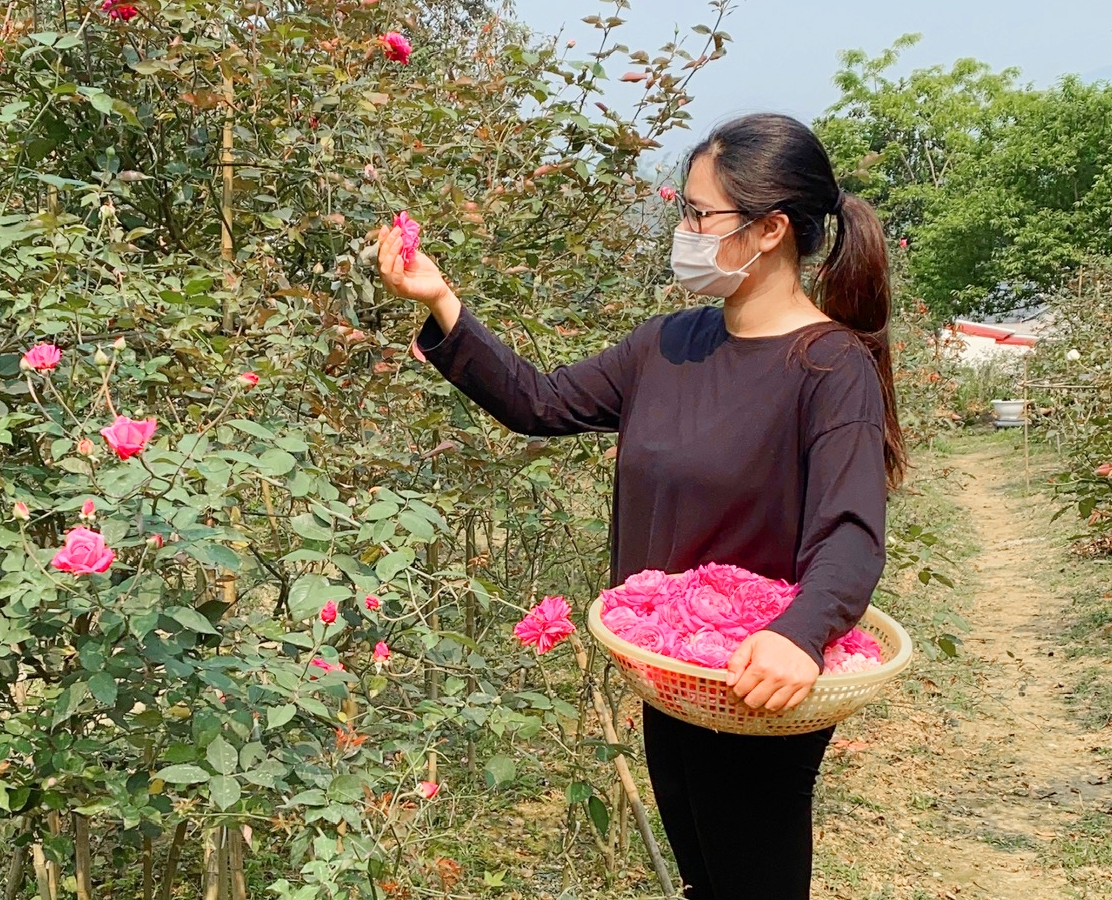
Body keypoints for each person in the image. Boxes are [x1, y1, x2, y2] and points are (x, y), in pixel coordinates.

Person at [376, 112, 904, 899]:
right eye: (683, 212)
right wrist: (442, 300)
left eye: (700, 215)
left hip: (760, 680)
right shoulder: (667, 345)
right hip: (671, 669)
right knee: (701, 872)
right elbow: (540, 402)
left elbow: (851, 533)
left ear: (769, 231)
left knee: (752, 880)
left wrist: (798, 636)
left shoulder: (828, 370)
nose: (684, 231)